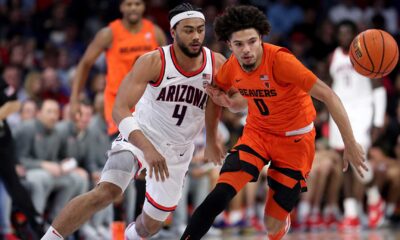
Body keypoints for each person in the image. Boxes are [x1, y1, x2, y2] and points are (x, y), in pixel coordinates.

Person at [41, 3, 226, 240]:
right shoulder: (153, 60)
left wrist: (211, 139)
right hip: (141, 136)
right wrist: (147, 149)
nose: (196, 36)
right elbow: (119, 110)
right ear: (173, 32)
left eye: (200, 29)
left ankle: (131, 236)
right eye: (188, 30)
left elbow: (216, 102)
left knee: (151, 226)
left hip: (178, 151)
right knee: (107, 191)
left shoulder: (216, 63)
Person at [180, 5, 367, 240]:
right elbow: (224, 99)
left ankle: (281, 222)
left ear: (261, 39)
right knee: (220, 194)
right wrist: (213, 137)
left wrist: (350, 142)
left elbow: (329, 95)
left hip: (295, 142)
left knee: (271, 226)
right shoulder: (231, 67)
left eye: (252, 42)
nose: (246, 50)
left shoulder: (281, 61)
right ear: (230, 45)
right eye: (239, 44)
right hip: (257, 135)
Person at [69, 0, 167, 137]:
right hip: (118, 103)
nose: (133, 8)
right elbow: (84, 64)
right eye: (129, 4)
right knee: (122, 150)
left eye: (137, 4)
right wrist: (74, 100)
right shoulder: (109, 34)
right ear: (121, 7)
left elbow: (169, 67)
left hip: (147, 102)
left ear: (144, 6)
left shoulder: (156, 33)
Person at [328, 20, 387, 230]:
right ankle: (352, 213)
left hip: (362, 113)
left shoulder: (368, 53)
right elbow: (328, 88)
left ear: (355, 35)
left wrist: (378, 120)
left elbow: (378, 88)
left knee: (357, 158)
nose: (344, 36)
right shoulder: (332, 57)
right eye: (341, 33)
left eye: (348, 33)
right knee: (345, 165)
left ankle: (373, 199)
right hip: (340, 115)